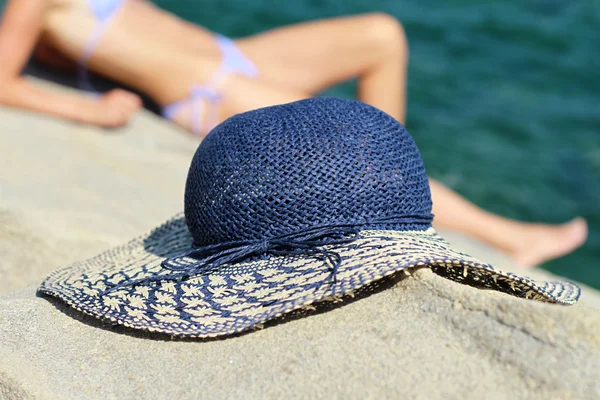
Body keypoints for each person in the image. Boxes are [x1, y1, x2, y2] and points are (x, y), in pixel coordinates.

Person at [0, 0, 587, 267]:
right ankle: (506, 236)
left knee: (382, 34)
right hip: (209, 93)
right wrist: (90, 112)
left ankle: (389, 175)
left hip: (237, 55)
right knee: (351, 153)